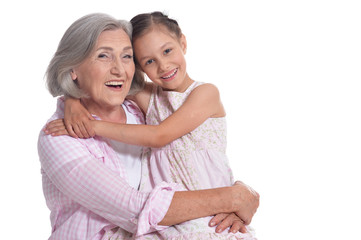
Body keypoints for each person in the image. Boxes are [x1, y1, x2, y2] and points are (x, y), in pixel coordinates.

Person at [39, 13, 259, 240]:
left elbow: (170, 141)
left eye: (126, 57)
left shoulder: (145, 109)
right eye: (103, 56)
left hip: (198, 222)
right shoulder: (59, 136)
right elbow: (134, 208)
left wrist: (238, 197)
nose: (119, 69)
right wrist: (233, 198)